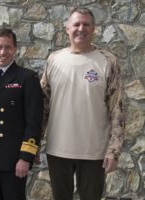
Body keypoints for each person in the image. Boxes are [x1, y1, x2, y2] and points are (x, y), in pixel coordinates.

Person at [40, 7, 124, 200]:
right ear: (67, 29)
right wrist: (34, 144)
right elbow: (43, 106)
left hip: (94, 151)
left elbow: (116, 108)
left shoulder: (108, 61)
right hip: (58, 149)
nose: (81, 28)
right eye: (76, 24)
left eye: (86, 24)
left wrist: (114, 150)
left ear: (94, 29)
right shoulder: (54, 60)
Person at [0, 28, 44, 200]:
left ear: (15, 49)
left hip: (13, 161)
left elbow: (33, 122)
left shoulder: (27, 78)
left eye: (7, 47)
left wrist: (26, 157)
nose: (3, 52)